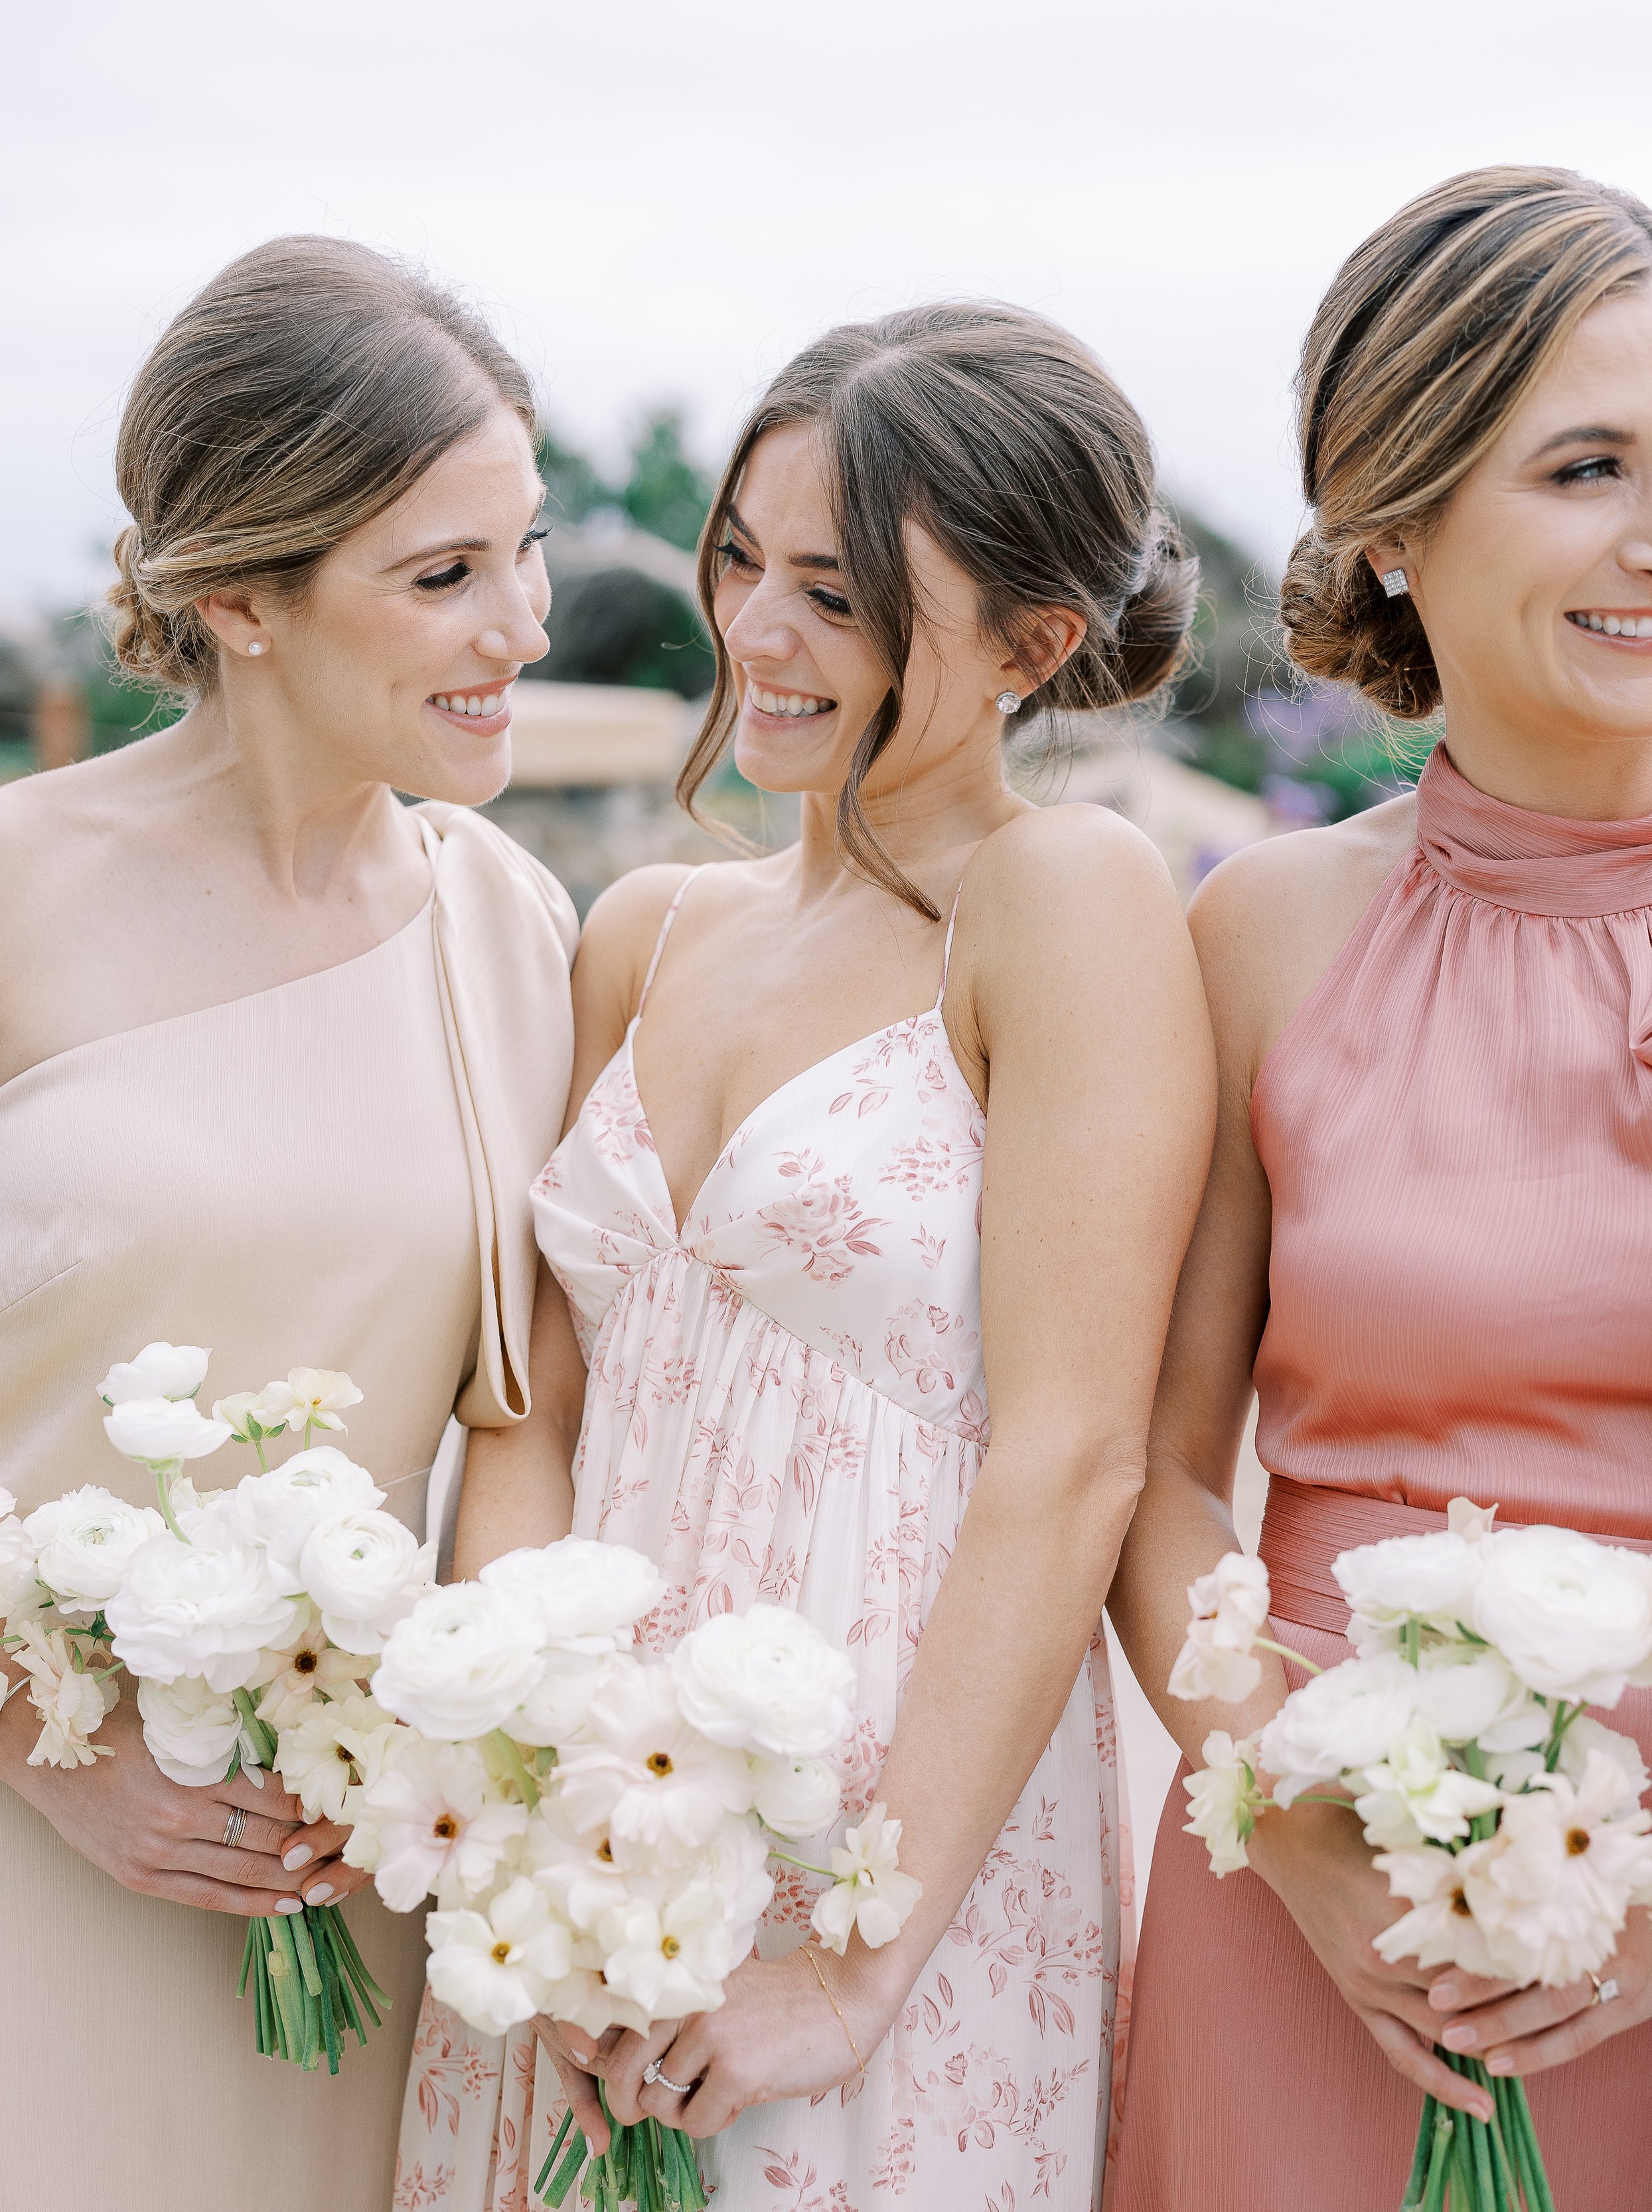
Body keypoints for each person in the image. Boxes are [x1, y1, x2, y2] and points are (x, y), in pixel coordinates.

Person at [397, 303, 1215, 2209]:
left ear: (1032, 645)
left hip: (880, 1839)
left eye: (837, 598)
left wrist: (847, 1969)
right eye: (743, 561)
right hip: (591, 1844)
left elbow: (1074, 1455)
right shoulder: (649, 928)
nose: (755, 634)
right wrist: (528, 1801)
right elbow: (530, 1412)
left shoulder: (1054, 901)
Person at [0, 236, 577, 2211]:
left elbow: (525, 1416)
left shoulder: (517, 926)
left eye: (526, 552)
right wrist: (44, 1740)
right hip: (32, 1861)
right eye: (441, 577)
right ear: (236, 597)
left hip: (357, 1882)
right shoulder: (16, 894)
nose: (519, 627)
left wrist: (473, 1765)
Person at [1112, 166, 1652, 2209]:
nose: (1650, 536)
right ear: (1394, 522)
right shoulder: (1258, 931)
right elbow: (1150, 1474)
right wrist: (1286, 1825)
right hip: (1316, 1902)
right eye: (1585, 465)